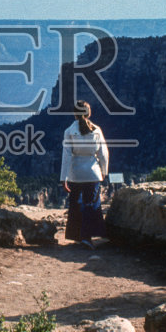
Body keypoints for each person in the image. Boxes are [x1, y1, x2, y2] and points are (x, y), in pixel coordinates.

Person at [60, 100, 109, 245]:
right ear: (88, 113)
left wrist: (64, 178)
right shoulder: (97, 130)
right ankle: (89, 235)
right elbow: (103, 153)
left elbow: (66, 156)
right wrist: (104, 170)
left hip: (76, 174)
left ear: (75, 114)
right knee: (91, 204)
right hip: (93, 173)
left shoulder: (69, 131)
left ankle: (77, 236)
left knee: (76, 205)